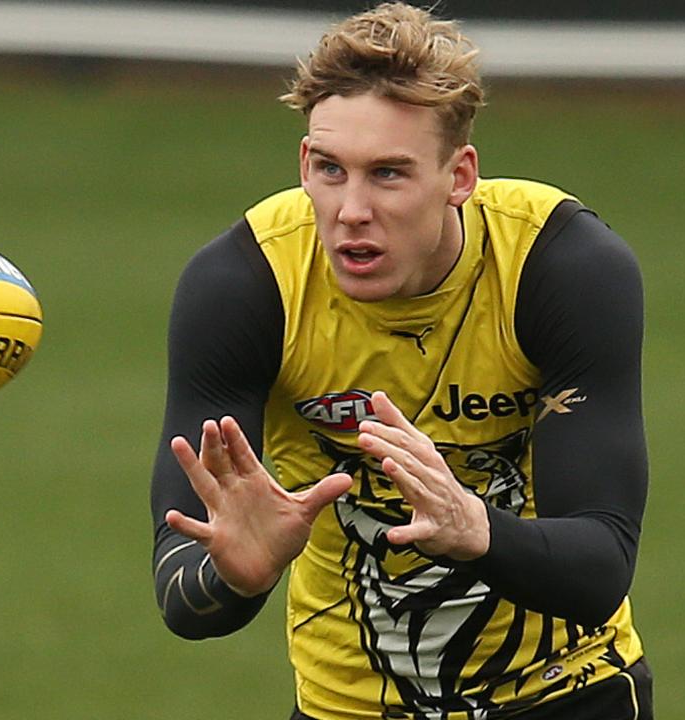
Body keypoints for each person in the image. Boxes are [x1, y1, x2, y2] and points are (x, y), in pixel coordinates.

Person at [149, 3, 652, 718]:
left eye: (388, 174)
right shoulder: (246, 285)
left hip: (566, 695)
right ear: (303, 164)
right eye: (330, 170)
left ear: (460, 175)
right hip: (349, 706)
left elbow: (601, 564)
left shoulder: (558, 267)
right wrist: (235, 575)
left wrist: (476, 530)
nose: (351, 209)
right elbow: (182, 600)